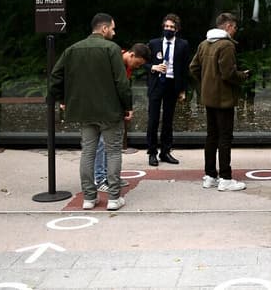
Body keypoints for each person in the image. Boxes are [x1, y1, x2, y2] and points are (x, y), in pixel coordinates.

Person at [50, 13, 133, 211]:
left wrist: (62, 99)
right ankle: (113, 198)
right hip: (110, 111)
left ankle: (89, 197)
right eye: (112, 28)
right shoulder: (112, 49)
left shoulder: (72, 50)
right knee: (113, 152)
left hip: (84, 111)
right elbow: (121, 82)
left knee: (87, 152)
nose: (114, 31)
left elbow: (56, 75)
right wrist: (127, 106)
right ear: (104, 29)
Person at [189, 12, 250, 191]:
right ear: (228, 27)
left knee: (211, 137)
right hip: (224, 99)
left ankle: (209, 176)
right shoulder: (227, 46)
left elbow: (193, 68)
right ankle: (225, 178)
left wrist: (205, 83)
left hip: (208, 98)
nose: (236, 31)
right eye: (235, 27)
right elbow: (228, 74)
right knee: (225, 138)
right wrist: (243, 76)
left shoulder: (203, 44)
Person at [94, 43, 151, 192]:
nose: (137, 67)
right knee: (102, 142)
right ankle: (100, 178)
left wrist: (125, 107)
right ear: (132, 55)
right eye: (137, 63)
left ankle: (110, 176)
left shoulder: (126, 65)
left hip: (114, 107)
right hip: (104, 105)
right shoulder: (114, 59)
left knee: (111, 142)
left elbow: (123, 88)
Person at [145, 13, 191, 167]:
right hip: (157, 83)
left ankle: (165, 151)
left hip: (172, 84)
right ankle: (152, 152)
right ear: (163, 27)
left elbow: (185, 68)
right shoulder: (153, 43)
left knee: (168, 120)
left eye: (172, 27)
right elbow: (141, 61)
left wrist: (183, 90)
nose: (169, 29)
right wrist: (153, 67)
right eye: (166, 26)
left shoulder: (183, 45)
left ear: (176, 29)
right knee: (153, 119)